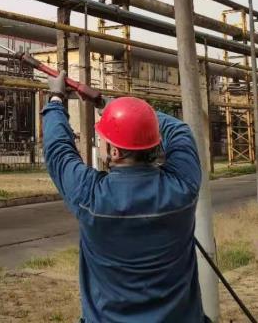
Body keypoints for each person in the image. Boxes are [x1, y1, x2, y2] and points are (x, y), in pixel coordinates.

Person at [42, 71, 205, 323]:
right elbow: (179, 130)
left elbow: (58, 151)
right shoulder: (183, 187)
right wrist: (109, 105)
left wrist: (55, 99)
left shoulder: (91, 196)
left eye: (103, 138)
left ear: (114, 152)